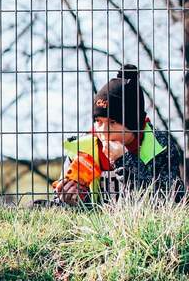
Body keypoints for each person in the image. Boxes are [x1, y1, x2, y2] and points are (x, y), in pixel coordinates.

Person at [54, 65, 185, 205]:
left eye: (113, 122)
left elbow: (172, 201)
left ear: (133, 125)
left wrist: (124, 160)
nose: (103, 130)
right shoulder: (82, 147)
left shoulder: (160, 147)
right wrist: (72, 201)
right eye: (98, 121)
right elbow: (58, 204)